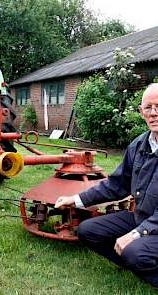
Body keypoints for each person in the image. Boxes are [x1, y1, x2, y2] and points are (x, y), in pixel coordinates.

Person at [55, 83, 158, 288]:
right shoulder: (139, 145)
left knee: (134, 251)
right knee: (88, 230)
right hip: (142, 218)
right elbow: (116, 184)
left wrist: (136, 234)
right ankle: (137, 263)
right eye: (148, 108)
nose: (154, 113)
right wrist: (76, 200)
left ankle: (142, 263)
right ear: (141, 112)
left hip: (152, 225)